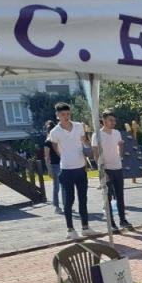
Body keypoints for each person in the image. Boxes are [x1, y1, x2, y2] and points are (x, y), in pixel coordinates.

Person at [48, 103, 98, 240]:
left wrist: (91, 149)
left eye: (68, 114)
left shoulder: (78, 126)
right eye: (63, 114)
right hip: (66, 170)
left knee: (83, 199)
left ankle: (85, 227)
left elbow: (84, 141)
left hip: (81, 168)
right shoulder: (54, 132)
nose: (66, 117)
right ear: (57, 115)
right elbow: (56, 149)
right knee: (68, 200)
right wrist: (66, 157)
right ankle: (70, 229)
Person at [92, 110, 133, 232]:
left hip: (117, 168)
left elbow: (120, 147)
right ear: (104, 120)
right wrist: (102, 171)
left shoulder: (117, 133)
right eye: (111, 120)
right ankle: (111, 223)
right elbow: (95, 154)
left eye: (114, 120)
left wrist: (120, 152)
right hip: (105, 169)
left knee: (120, 195)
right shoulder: (97, 135)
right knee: (107, 196)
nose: (113, 123)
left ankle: (123, 220)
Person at [43, 120, 64, 214]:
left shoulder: (54, 141)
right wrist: (49, 169)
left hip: (59, 164)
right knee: (58, 186)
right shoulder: (48, 141)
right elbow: (47, 157)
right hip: (56, 165)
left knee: (60, 186)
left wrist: (49, 169)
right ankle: (57, 206)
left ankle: (61, 206)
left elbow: (46, 157)